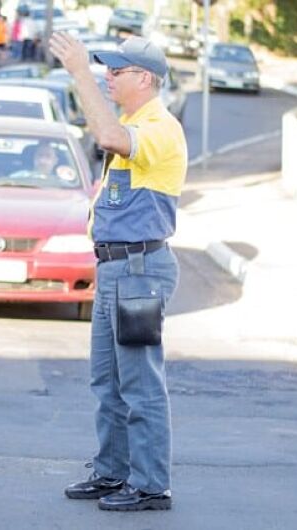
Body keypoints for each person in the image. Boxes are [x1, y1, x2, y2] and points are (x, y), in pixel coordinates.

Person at [49, 33, 187, 511]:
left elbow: (107, 137)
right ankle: (113, 472)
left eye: (116, 70)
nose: (108, 76)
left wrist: (80, 73)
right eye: (104, 69)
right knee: (107, 381)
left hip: (139, 269)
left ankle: (150, 484)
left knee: (140, 382)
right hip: (118, 268)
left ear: (145, 78)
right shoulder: (133, 119)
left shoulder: (159, 127)